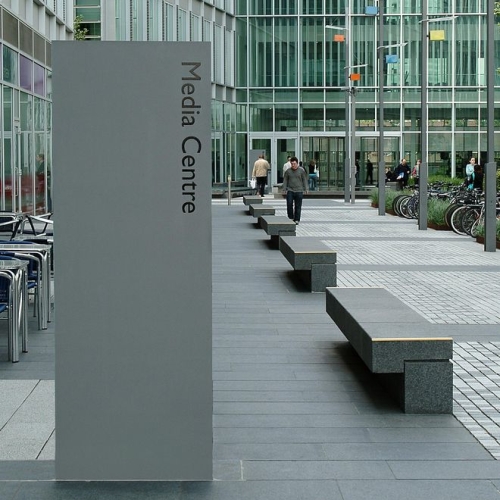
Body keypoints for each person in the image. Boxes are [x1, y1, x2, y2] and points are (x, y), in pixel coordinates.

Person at [282, 156, 308, 224]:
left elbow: (304, 180)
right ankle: (290, 217)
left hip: (299, 190)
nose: (293, 165)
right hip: (290, 190)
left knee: (298, 205)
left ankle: (297, 219)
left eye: (294, 163)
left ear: (297, 163)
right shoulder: (288, 171)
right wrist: (284, 188)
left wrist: (306, 188)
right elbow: (285, 180)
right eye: (292, 164)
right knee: (289, 204)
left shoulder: (301, 171)